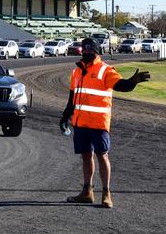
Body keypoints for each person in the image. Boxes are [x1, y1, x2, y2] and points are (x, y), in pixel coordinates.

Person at [59, 38, 150, 208]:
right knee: (86, 155)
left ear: (96, 53)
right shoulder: (76, 72)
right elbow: (72, 100)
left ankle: (106, 193)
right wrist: (65, 117)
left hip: (99, 123)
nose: (86, 54)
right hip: (81, 122)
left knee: (102, 155)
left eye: (90, 52)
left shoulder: (105, 70)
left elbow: (121, 85)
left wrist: (133, 81)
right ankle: (87, 192)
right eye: (84, 51)